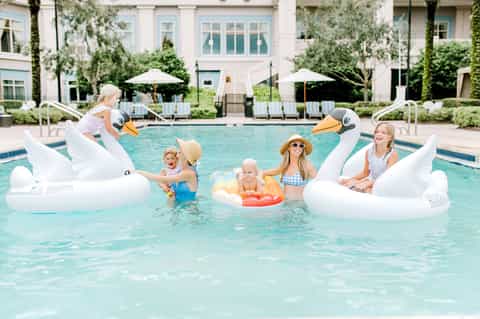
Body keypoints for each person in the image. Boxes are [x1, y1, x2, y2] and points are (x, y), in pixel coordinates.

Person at [340, 122, 398, 193]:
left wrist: (369, 183)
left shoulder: (392, 154)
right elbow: (365, 173)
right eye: (377, 132)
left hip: (383, 184)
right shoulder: (369, 152)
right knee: (348, 184)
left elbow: (387, 178)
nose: (379, 134)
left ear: (390, 137)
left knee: (367, 190)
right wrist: (350, 180)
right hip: (371, 181)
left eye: (383, 133)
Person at [137, 138, 202, 202]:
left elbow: (161, 179)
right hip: (178, 205)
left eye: (180, 152)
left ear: (185, 156)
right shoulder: (183, 169)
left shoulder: (188, 173)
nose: (177, 155)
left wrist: (140, 172)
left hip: (189, 209)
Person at [263, 134, 317, 200]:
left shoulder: (306, 165)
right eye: (295, 145)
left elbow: (318, 182)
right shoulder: (284, 165)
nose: (298, 148)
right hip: (285, 204)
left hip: (300, 205)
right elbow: (265, 173)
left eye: (301, 145)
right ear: (288, 148)